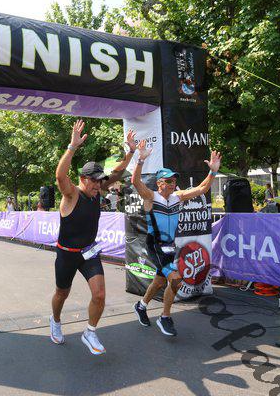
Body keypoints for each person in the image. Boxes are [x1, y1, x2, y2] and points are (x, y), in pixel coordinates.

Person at [49, 120, 136, 355]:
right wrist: (72, 147)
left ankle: (90, 331)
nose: (99, 184)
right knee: (62, 293)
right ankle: (55, 320)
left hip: (88, 252)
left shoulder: (96, 191)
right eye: (94, 180)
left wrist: (130, 152)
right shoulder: (72, 195)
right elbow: (60, 176)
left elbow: (117, 172)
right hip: (67, 255)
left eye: (100, 180)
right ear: (83, 179)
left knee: (99, 294)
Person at [131, 140, 221, 336]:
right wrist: (140, 160)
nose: (173, 184)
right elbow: (135, 182)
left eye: (174, 181)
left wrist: (213, 172)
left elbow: (201, 189)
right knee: (176, 279)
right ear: (159, 183)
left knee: (159, 281)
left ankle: (141, 305)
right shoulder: (150, 196)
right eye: (169, 181)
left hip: (170, 245)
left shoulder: (177, 197)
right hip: (155, 244)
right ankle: (165, 317)